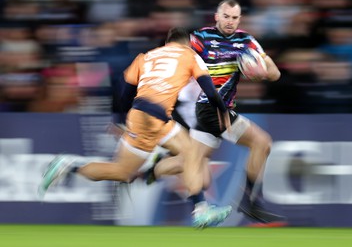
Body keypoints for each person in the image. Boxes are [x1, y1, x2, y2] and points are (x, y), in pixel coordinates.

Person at [38, 27, 232, 228]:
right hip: (158, 114)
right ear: (187, 43)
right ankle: (200, 210)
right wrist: (223, 113)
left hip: (140, 114)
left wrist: (125, 120)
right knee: (192, 151)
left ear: (167, 42)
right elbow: (210, 90)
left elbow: (124, 93)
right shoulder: (190, 55)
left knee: (122, 172)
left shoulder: (145, 57)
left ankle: (68, 166)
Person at [149, 0, 286, 224]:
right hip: (210, 109)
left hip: (213, 110)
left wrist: (259, 70)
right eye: (226, 16)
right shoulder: (201, 38)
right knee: (262, 142)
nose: (230, 22)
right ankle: (248, 202)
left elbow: (275, 74)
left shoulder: (246, 41)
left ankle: (153, 168)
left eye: (234, 18)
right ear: (216, 16)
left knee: (191, 161)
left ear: (239, 19)